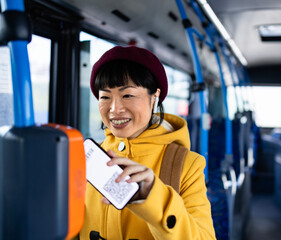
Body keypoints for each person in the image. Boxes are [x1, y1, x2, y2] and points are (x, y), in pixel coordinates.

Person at [79, 45, 216, 239]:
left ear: (154, 97)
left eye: (127, 95)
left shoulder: (186, 165)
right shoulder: (88, 159)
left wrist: (153, 198)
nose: (115, 109)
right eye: (105, 97)